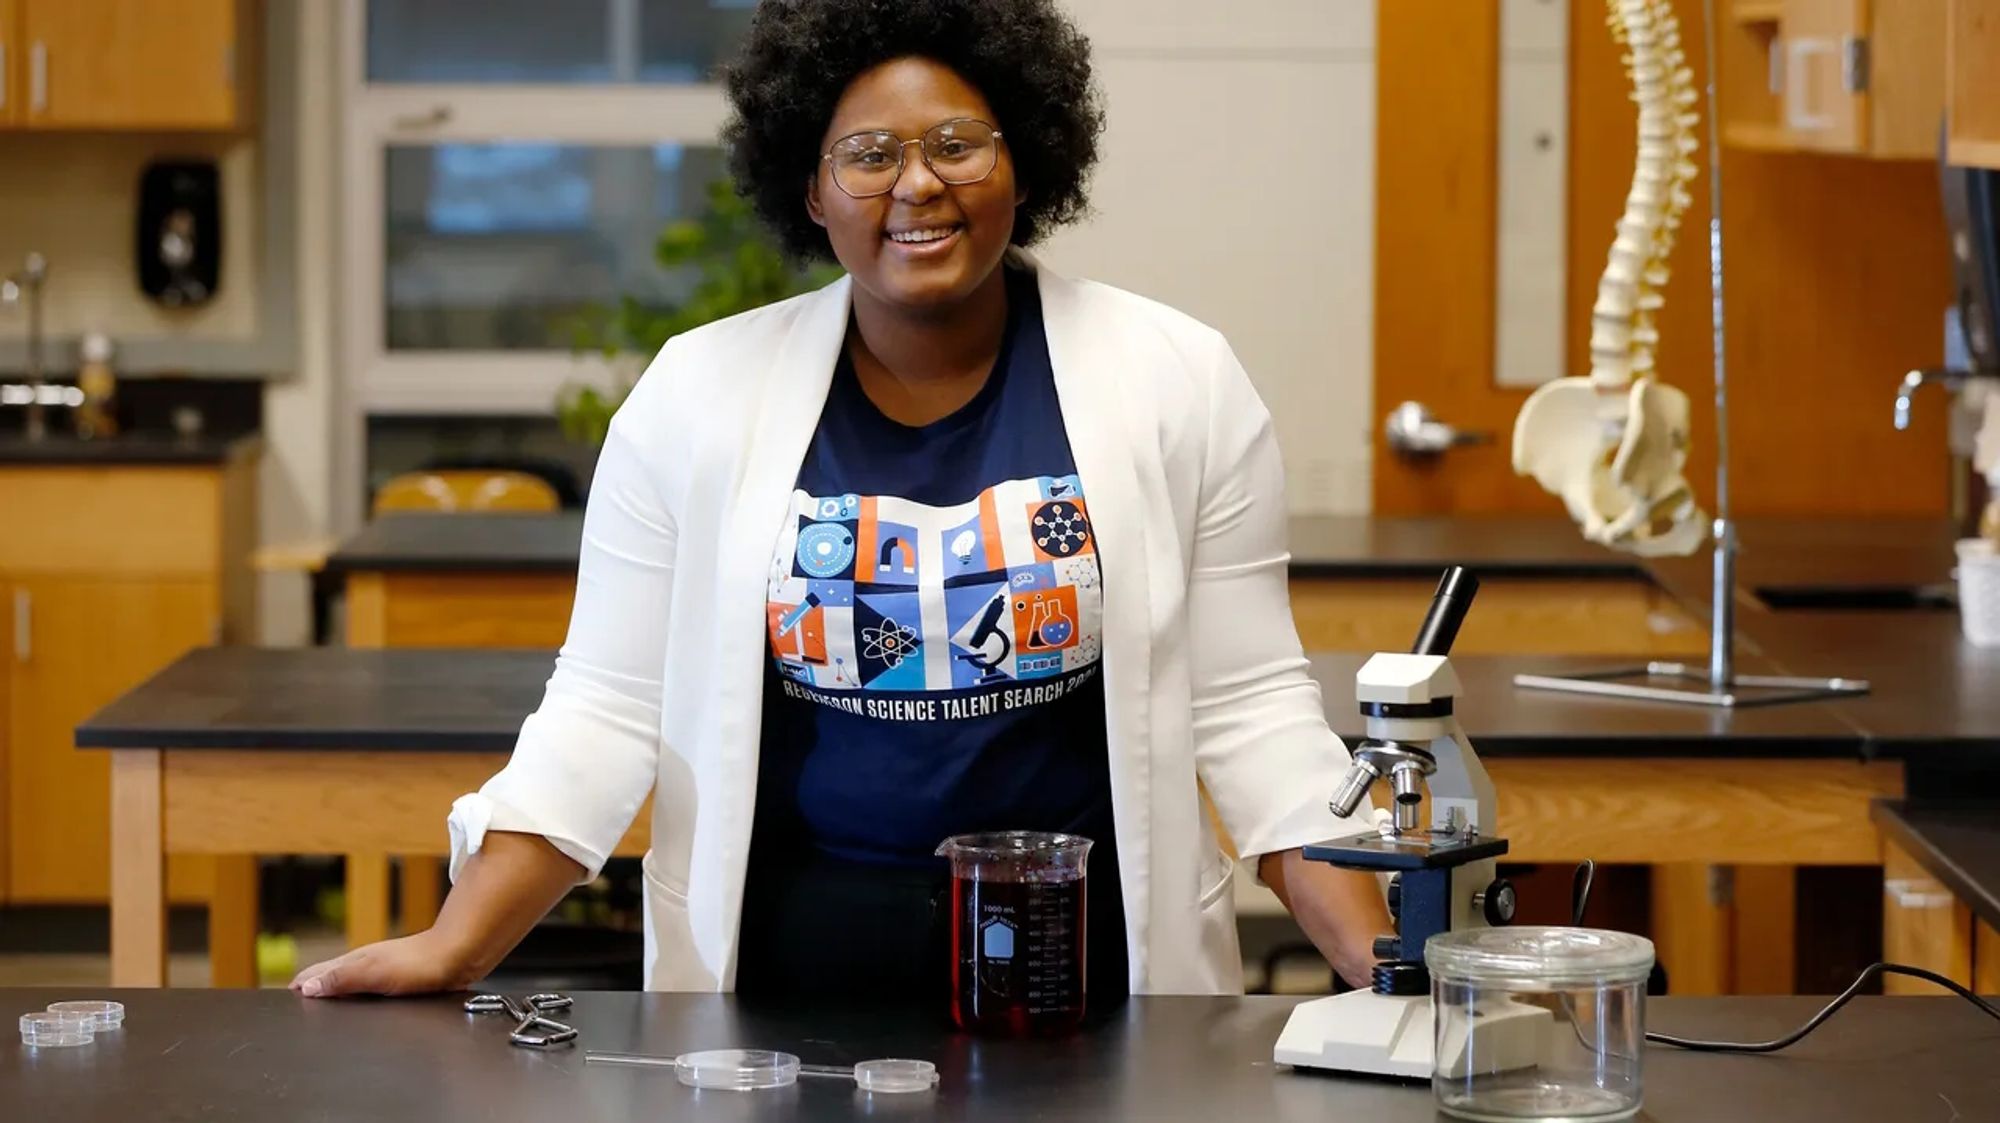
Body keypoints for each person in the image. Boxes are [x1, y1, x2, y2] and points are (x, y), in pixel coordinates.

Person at [292, 0, 1391, 1004]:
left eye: (956, 144)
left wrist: (1384, 966)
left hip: (1085, 980)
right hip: (785, 988)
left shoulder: (1175, 379)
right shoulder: (696, 393)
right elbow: (608, 709)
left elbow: (1249, 712)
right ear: (810, 188)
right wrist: (457, 945)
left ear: (1026, 159)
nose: (916, 185)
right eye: (867, 156)